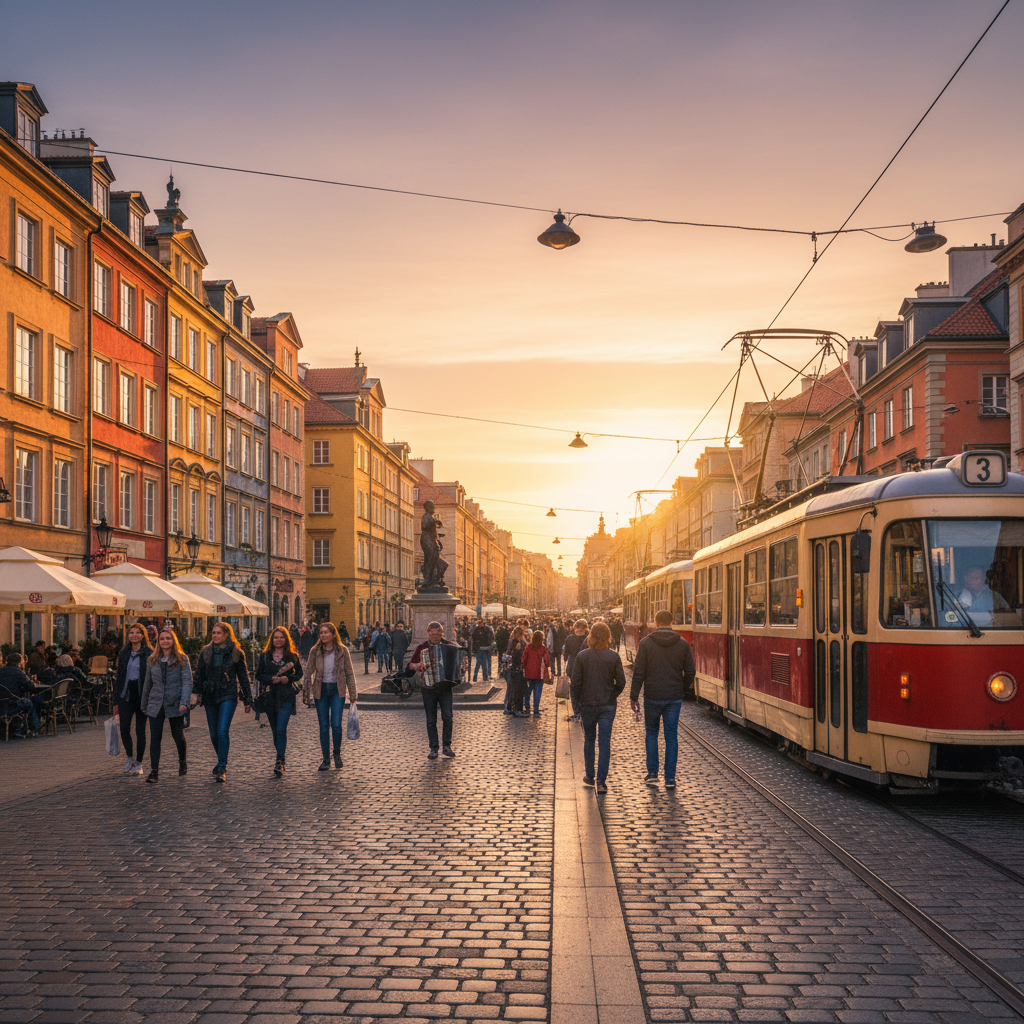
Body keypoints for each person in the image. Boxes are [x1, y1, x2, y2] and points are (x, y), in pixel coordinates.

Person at [629, 609, 695, 789]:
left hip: (653, 695)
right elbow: (690, 671)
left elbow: (639, 672)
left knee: (651, 733)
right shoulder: (682, 644)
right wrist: (681, 688)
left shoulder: (646, 643)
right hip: (673, 697)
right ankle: (670, 778)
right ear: (672, 622)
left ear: (655, 623)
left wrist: (634, 695)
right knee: (671, 736)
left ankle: (652, 774)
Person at [570, 622, 626, 794]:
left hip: (587, 704)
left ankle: (589, 775)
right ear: (608, 637)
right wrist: (612, 694)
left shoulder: (582, 656)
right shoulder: (614, 656)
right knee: (604, 743)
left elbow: (575, 683)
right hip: (607, 705)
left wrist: (577, 705)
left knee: (589, 739)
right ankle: (601, 782)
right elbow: (621, 682)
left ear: (591, 637)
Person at [194, 622, 253, 783]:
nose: (215, 636)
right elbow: (199, 674)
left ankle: (221, 765)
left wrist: (247, 699)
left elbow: (243, 677)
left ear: (226, 635)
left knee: (222, 731)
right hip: (210, 696)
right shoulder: (206, 652)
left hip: (228, 694)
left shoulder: (236, 653)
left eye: (218, 633)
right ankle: (221, 759)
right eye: (213, 633)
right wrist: (195, 693)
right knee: (213, 734)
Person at [140, 627, 193, 784]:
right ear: (158, 641)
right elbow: (147, 683)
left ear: (173, 640)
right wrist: (144, 704)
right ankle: (154, 771)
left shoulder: (182, 659)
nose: (165, 641)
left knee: (177, 735)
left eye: (168, 638)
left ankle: (182, 761)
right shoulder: (152, 660)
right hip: (156, 702)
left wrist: (184, 702)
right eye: (162, 639)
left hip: (175, 702)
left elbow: (187, 682)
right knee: (155, 737)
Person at [303, 622, 358, 771]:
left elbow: (349, 672)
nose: (323, 635)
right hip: (320, 690)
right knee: (323, 726)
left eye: (326, 632)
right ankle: (325, 759)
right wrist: (306, 693)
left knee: (336, 725)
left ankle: (337, 753)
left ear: (333, 635)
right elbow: (308, 672)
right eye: (321, 632)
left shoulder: (342, 650)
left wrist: (353, 693)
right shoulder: (315, 651)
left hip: (337, 690)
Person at [409, 620, 465, 758]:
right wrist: (418, 666)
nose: (435, 637)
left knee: (448, 717)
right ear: (428, 633)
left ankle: (447, 746)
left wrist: (462, 667)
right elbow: (411, 664)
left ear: (441, 633)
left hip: (445, 687)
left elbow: (460, 664)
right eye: (433, 634)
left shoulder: (450, 646)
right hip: (428, 687)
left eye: (438, 634)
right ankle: (433, 748)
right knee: (431, 719)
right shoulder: (422, 648)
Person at [256, 627, 303, 777]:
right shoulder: (265, 656)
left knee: (281, 729)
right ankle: (280, 757)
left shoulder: (292, 657)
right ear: (272, 639)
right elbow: (259, 675)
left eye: (281, 637)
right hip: (270, 697)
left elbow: (299, 674)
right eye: (276, 637)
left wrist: (287, 679)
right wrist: (271, 679)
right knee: (275, 730)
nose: (278, 640)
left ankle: (280, 761)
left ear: (286, 639)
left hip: (286, 696)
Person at [114, 626, 151, 774]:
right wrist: (116, 700)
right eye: (131, 633)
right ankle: (129, 756)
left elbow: (151, 677)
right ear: (128, 635)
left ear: (142, 636)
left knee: (140, 730)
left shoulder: (149, 653)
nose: (134, 635)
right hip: (126, 694)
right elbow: (119, 678)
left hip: (142, 695)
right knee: (124, 727)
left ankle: (139, 762)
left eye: (137, 633)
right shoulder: (124, 653)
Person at [0, 653, 41, 736]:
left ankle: (18, 727)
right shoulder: (18, 672)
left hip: (2, 705)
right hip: (13, 704)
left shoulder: (1, 671)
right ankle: (34, 728)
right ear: (19, 662)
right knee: (30, 702)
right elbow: (31, 686)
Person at [562, 619, 589, 722]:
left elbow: (566, 653)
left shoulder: (570, 638)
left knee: (576, 690)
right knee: (579, 689)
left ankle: (578, 711)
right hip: (579, 666)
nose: (580, 632)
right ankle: (580, 712)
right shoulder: (587, 639)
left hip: (575, 665)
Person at [521, 630, 551, 717]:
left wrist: (524, 667)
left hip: (528, 673)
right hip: (539, 673)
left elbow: (524, 659)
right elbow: (547, 662)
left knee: (528, 691)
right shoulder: (544, 649)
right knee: (537, 692)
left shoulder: (528, 647)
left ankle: (527, 708)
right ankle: (536, 709)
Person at [505, 626, 528, 717]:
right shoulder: (519, 642)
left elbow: (509, 653)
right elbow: (517, 656)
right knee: (519, 689)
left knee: (514, 689)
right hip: (518, 668)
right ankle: (517, 709)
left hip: (513, 668)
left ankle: (511, 708)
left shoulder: (512, 641)